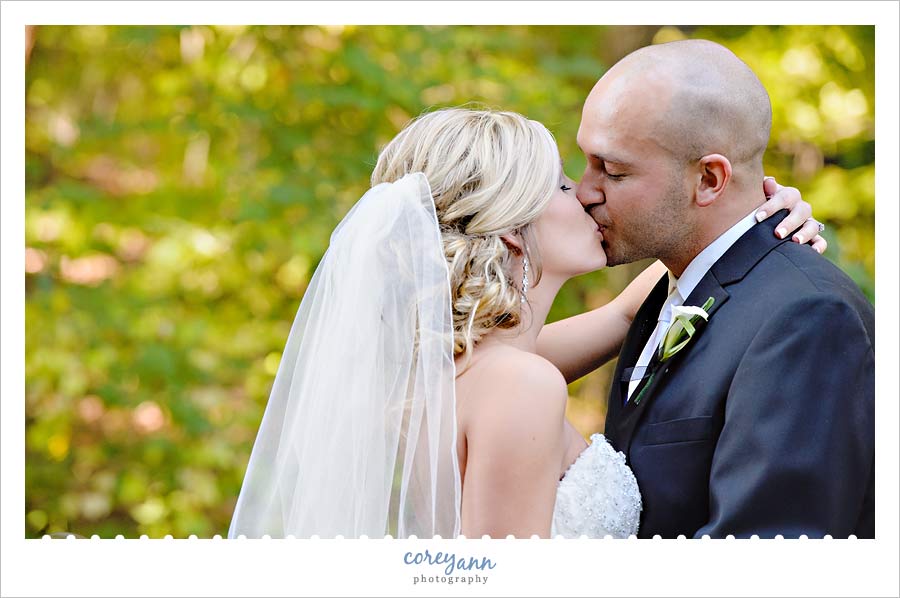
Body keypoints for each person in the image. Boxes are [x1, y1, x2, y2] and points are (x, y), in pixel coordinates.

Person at [228, 107, 824, 539]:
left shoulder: (458, 371)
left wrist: (749, 212)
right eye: (564, 185)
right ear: (514, 228)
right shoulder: (519, 383)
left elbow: (626, 312)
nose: (590, 195)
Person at [571, 39, 875, 538]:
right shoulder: (671, 289)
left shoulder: (806, 317)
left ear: (710, 179)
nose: (585, 192)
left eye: (614, 170)